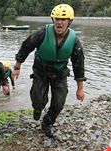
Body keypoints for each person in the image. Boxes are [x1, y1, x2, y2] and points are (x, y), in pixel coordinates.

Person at [12, 4, 86, 138]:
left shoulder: (74, 41)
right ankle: (38, 108)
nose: (59, 22)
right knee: (38, 99)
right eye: (57, 19)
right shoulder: (41, 33)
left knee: (59, 103)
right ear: (53, 20)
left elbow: (78, 65)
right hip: (41, 71)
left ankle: (47, 122)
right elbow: (26, 47)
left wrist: (80, 88)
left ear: (69, 21)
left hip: (60, 73)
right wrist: (17, 67)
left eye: (63, 19)